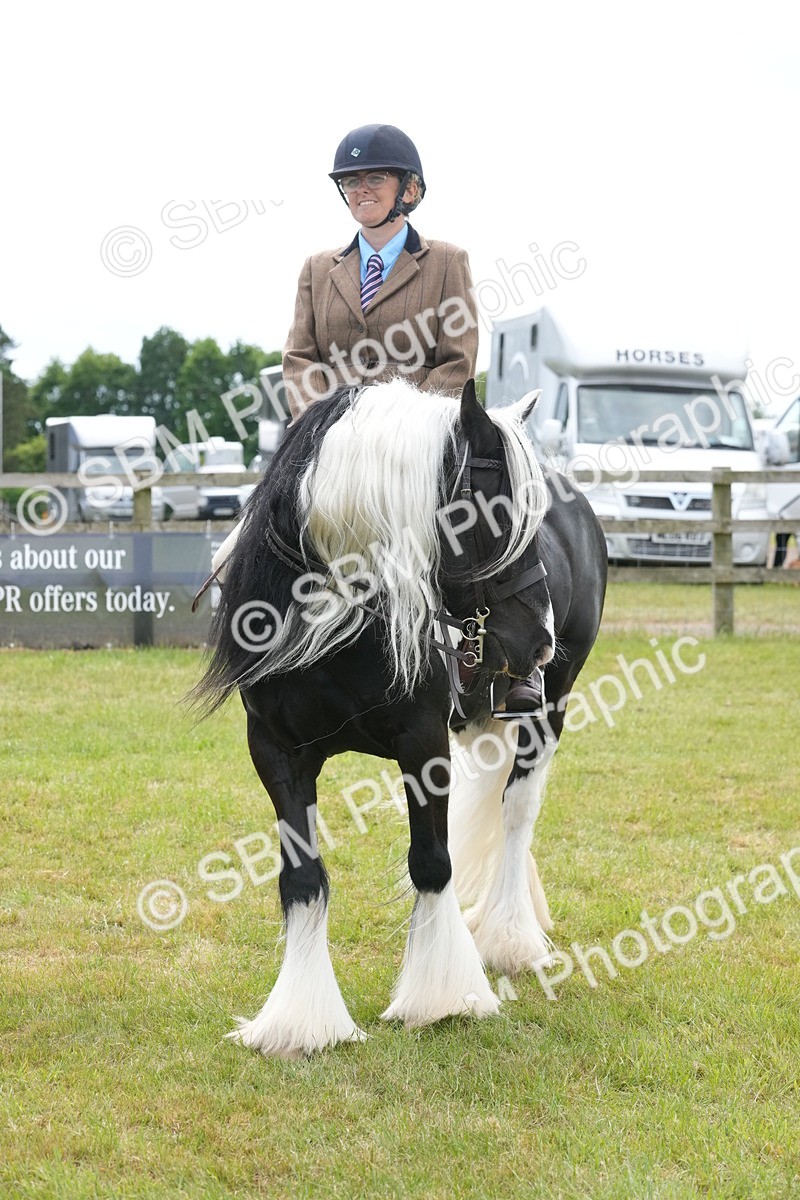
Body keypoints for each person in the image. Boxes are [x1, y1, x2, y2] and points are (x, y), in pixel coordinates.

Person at [281, 123, 479, 419]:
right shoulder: (316, 269)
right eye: (351, 181)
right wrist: (319, 424)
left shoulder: (448, 262)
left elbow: (458, 361)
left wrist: (403, 425)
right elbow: (299, 357)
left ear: (409, 190)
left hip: (413, 434)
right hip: (330, 433)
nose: (361, 189)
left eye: (375, 178)